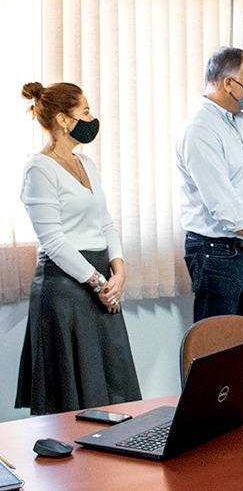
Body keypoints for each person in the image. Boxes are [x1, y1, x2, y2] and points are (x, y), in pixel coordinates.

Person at [15, 81, 142, 415]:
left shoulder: (86, 164)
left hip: (101, 284)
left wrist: (119, 270)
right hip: (66, 290)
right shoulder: (39, 169)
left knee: (112, 390)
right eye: (85, 111)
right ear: (63, 120)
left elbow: (105, 221)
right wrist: (99, 283)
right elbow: (54, 242)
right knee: (72, 403)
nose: (91, 118)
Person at [176, 47, 243, 321]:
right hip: (217, 255)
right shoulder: (201, 130)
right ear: (228, 84)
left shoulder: (236, 124)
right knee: (218, 353)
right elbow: (224, 206)